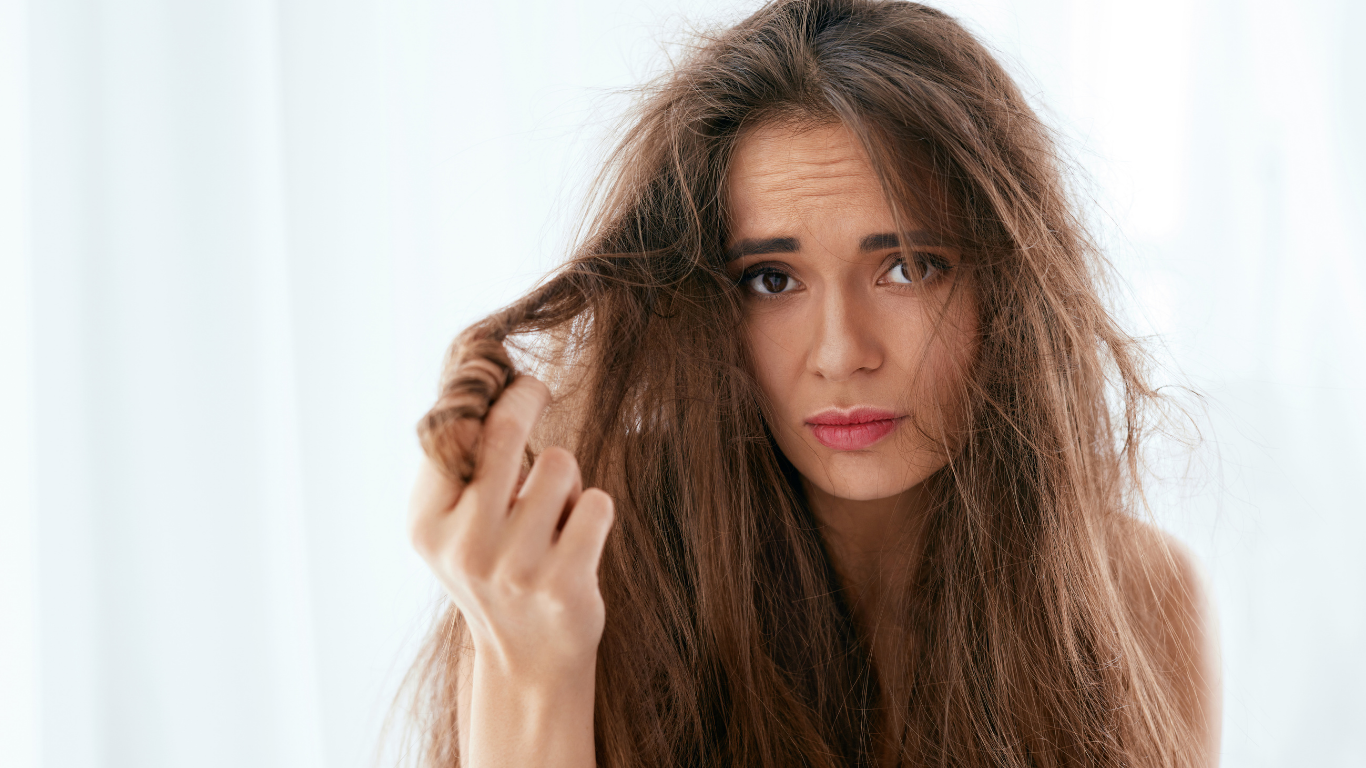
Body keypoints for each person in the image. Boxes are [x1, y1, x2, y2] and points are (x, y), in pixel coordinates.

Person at [401, 1, 1221, 766]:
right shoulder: (571, 586)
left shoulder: (1136, 600)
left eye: (907, 267)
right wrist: (535, 664)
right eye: (771, 279)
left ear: (1010, 291)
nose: (840, 354)